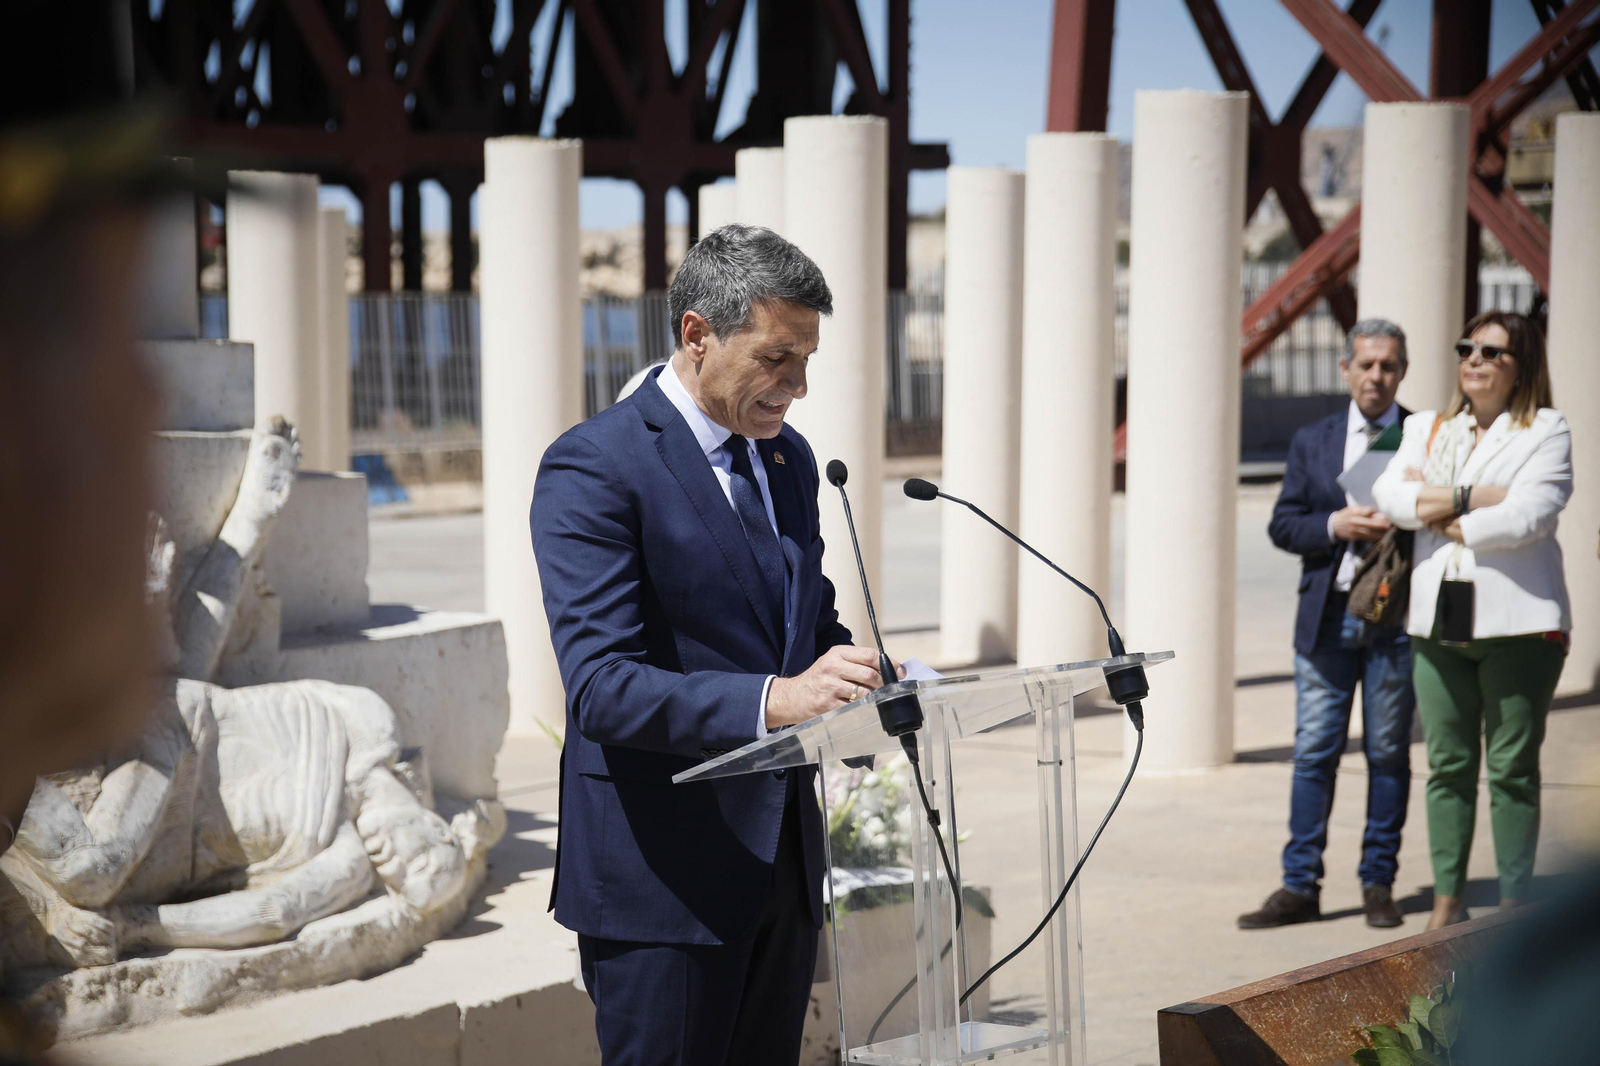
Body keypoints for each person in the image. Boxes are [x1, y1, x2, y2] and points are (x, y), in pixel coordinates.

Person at [531, 224, 898, 1064]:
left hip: (782, 869)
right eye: (777, 359)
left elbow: (806, 626)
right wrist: (777, 698)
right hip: (663, 883)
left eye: (807, 360)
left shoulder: (787, 461)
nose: (798, 387)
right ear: (697, 336)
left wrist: (864, 679)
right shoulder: (595, 467)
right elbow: (600, 686)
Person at [1372, 310, 1570, 930]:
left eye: (1492, 352)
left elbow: (1530, 515)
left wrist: (1442, 508)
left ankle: (1515, 907)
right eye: (1468, 348)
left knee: (1511, 769)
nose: (1475, 360)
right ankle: (1447, 905)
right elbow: (1390, 500)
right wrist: (1473, 495)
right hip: (1438, 624)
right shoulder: (1427, 428)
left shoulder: (1547, 429)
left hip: (1519, 627)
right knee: (1448, 768)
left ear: (1522, 368)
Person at [1239, 320, 1416, 931]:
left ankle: (1378, 883)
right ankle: (1299, 885)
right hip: (1325, 619)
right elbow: (1283, 524)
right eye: (1366, 364)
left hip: (1395, 620)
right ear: (1345, 369)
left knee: (1389, 755)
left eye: (1388, 366)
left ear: (1402, 372)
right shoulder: (1313, 440)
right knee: (1314, 753)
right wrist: (1333, 526)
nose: (1376, 375)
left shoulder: (1418, 437)